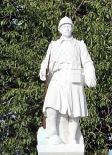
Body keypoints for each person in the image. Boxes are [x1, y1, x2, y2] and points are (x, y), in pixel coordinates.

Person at [39, 17, 96, 147]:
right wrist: (43, 71)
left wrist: (90, 76)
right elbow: (45, 62)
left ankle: (73, 138)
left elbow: (87, 62)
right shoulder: (53, 45)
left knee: (76, 109)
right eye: (64, 26)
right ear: (59, 29)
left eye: (69, 26)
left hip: (74, 78)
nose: (67, 28)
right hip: (57, 77)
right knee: (51, 103)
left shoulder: (79, 44)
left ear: (72, 28)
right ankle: (52, 132)